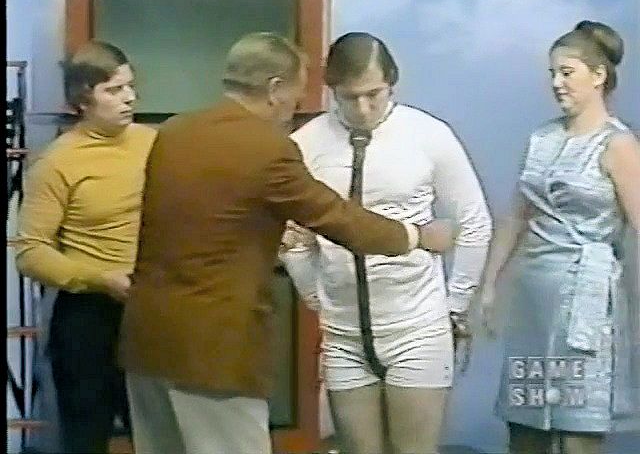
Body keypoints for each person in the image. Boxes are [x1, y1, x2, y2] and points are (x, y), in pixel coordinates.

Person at [118, 32, 454, 454]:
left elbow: (208, 222)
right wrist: (418, 235)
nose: (298, 103)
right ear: (275, 88)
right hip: (213, 351)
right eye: (297, 91)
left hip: (147, 343)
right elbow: (338, 218)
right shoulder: (267, 149)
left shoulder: (173, 132)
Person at [280, 32, 492, 454]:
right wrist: (314, 296)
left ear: (391, 83)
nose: (362, 108)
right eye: (349, 97)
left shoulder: (428, 135)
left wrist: (455, 306)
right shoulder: (306, 144)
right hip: (343, 335)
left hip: (417, 327)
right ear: (331, 88)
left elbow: (474, 223)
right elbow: (291, 238)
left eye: (373, 95)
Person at [481, 20, 640, 454]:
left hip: (586, 303)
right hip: (533, 298)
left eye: (567, 72)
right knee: (524, 425)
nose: (556, 83)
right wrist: (490, 283)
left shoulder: (618, 145)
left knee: (576, 429)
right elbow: (517, 215)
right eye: (552, 73)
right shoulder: (542, 138)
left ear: (598, 75)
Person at [14, 41, 157, 453]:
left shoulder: (154, 143)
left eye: (130, 86)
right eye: (113, 90)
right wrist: (100, 279)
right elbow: (31, 252)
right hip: (90, 316)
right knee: (86, 437)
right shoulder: (58, 162)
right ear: (82, 100)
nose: (129, 98)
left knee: (158, 434)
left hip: (152, 308)